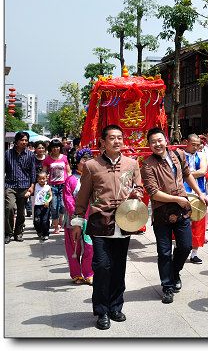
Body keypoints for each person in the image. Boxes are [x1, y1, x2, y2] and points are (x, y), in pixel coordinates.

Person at [72, 124, 143, 331]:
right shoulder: (92, 166)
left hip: (124, 221)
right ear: (103, 142)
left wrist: (136, 193)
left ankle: (115, 306)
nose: (117, 141)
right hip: (100, 223)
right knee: (102, 267)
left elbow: (138, 186)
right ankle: (101, 310)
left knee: (119, 267)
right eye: (112, 138)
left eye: (120, 137)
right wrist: (77, 220)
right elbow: (83, 196)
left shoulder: (132, 163)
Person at [141, 127, 208, 304]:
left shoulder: (178, 155)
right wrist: (177, 199)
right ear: (149, 145)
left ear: (166, 140)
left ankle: (174, 272)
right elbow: (153, 192)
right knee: (164, 252)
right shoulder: (147, 164)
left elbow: (187, 175)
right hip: (162, 213)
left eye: (159, 140)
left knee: (186, 247)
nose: (157, 144)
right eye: (153, 142)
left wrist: (199, 193)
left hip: (182, 211)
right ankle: (167, 286)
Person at [62, 149, 94, 284]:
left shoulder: (94, 178)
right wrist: (75, 216)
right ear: (78, 161)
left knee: (90, 246)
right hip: (73, 218)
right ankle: (76, 273)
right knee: (74, 247)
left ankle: (88, 272)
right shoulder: (71, 180)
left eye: (89, 159)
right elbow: (68, 200)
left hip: (90, 218)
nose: (86, 162)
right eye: (83, 159)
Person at [5, 131, 36, 243]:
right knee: (9, 208)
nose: (24, 142)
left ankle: (18, 233)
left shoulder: (30, 155)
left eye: (26, 140)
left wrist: (32, 186)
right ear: (16, 141)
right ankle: (8, 233)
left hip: (24, 186)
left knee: (21, 211)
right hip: (9, 185)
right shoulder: (7, 154)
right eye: (22, 140)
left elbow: (33, 172)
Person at [183, 134, 208, 265]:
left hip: (199, 193)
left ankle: (194, 253)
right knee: (182, 223)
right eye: (193, 144)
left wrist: (184, 173)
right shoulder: (180, 155)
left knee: (198, 222)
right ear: (186, 142)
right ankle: (179, 249)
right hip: (183, 193)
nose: (195, 147)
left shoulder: (202, 155)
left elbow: (203, 171)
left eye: (197, 145)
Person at [43, 139, 71, 235]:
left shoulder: (64, 158)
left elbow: (68, 171)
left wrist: (70, 182)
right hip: (52, 186)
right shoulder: (47, 159)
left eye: (57, 146)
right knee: (54, 206)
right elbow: (44, 172)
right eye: (54, 147)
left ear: (60, 147)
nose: (56, 149)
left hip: (64, 185)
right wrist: (44, 181)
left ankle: (60, 222)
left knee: (63, 206)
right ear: (51, 148)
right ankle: (56, 226)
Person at [30, 168, 52, 240]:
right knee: (37, 220)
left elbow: (50, 195)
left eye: (43, 178)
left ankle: (46, 233)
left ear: (46, 179)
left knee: (45, 220)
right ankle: (39, 232)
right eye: (40, 179)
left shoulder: (48, 187)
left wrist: (48, 201)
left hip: (45, 206)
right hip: (37, 206)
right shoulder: (36, 185)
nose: (41, 180)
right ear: (37, 179)